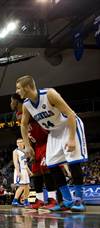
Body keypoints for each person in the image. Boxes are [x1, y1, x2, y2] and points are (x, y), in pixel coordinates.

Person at [17, 75, 88, 212]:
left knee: (73, 161)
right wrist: (27, 145)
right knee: (52, 164)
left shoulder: (50, 94)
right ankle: (66, 201)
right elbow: (23, 125)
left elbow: (70, 114)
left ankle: (79, 199)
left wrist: (72, 138)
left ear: (27, 87)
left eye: (19, 88)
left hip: (69, 126)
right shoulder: (26, 104)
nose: (17, 91)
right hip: (55, 131)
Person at [11, 94, 58, 209]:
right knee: (36, 172)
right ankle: (39, 200)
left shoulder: (29, 108)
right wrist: (29, 146)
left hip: (46, 141)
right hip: (36, 144)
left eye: (11, 101)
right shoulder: (18, 114)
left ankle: (53, 199)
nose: (10, 103)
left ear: (17, 101)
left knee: (46, 170)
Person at [12, 138, 32, 207]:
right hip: (20, 170)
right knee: (22, 186)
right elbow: (15, 162)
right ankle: (15, 201)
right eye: (18, 142)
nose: (19, 143)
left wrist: (29, 171)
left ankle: (26, 201)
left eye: (21, 142)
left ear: (23, 142)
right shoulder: (15, 151)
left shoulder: (24, 151)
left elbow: (25, 163)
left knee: (27, 187)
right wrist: (18, 172)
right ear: (16, 144)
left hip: (25, 170)